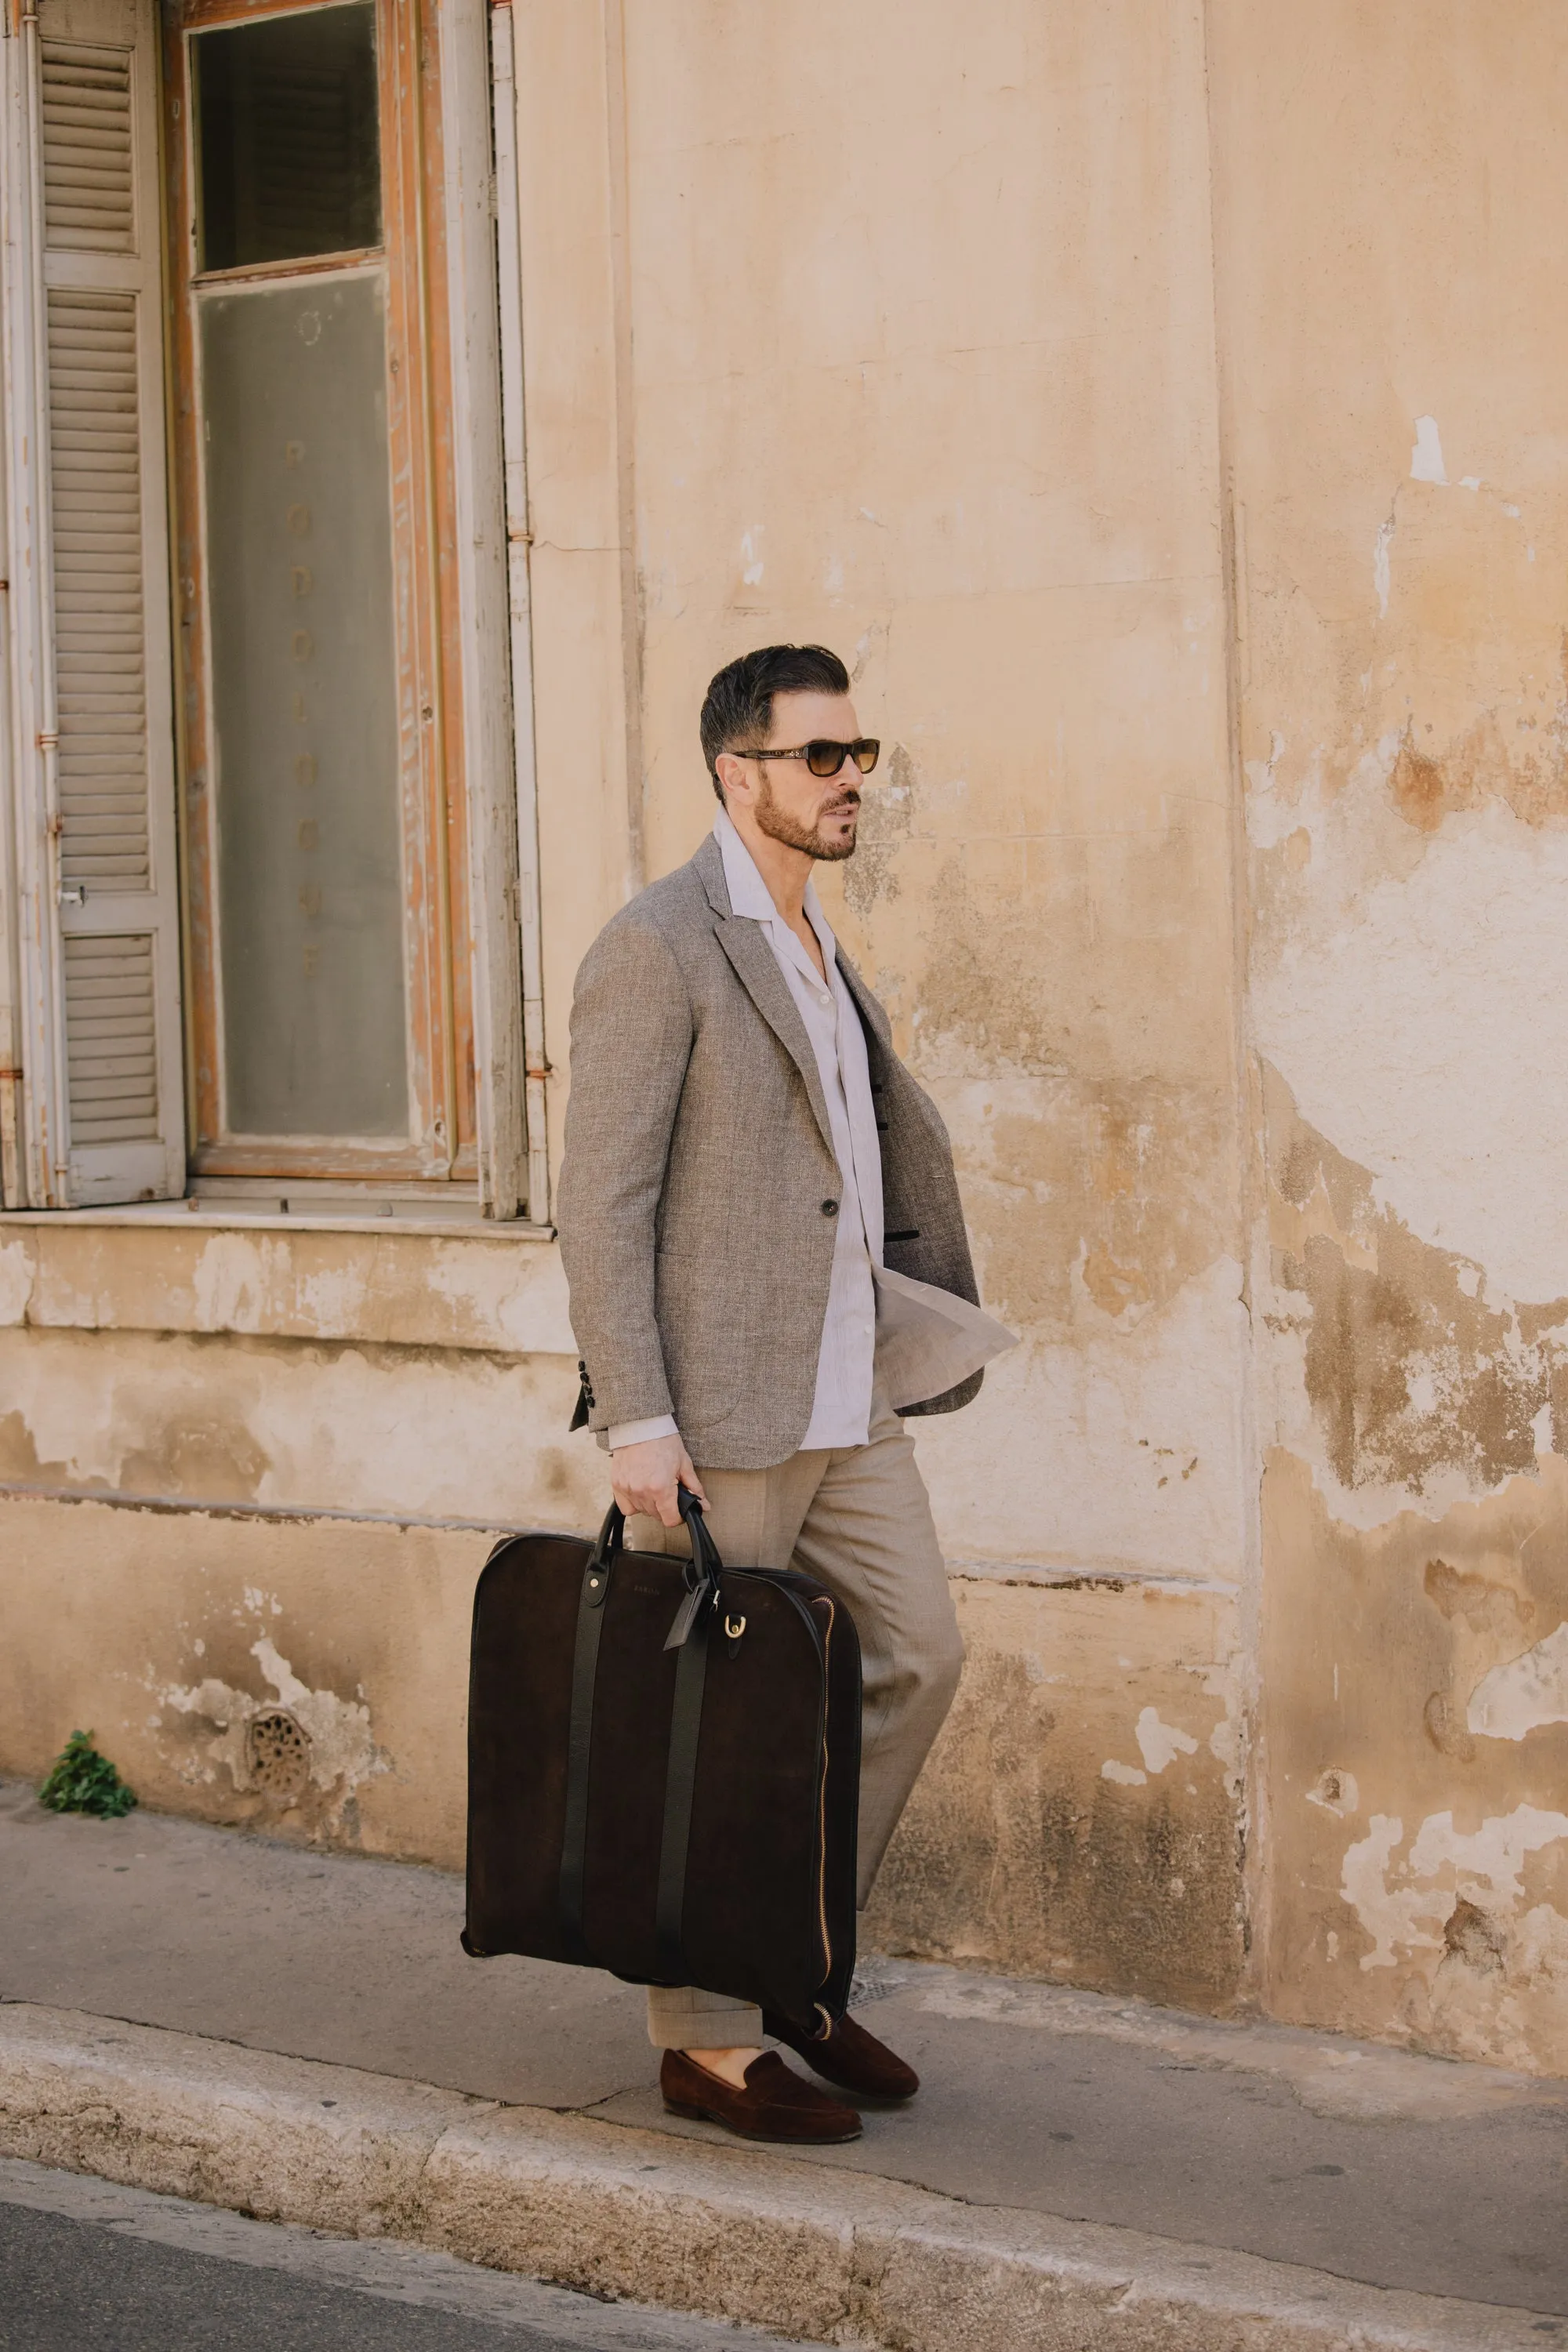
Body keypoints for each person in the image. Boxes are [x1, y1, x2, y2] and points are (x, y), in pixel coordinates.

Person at [557, 643, 1012, 2145]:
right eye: (820, 758)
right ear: (732, 771)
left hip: (846, 1400)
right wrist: (638, 1419)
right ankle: (706, 2037)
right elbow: (603, 1204)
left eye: (858, 754)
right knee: (718, 1718)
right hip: (725, 1410)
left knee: (915, 1657)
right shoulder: (661, 944)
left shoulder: (817, 947)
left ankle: (792, 1962)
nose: (849, 782)